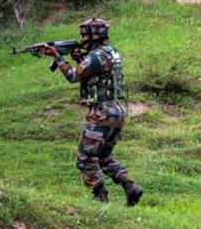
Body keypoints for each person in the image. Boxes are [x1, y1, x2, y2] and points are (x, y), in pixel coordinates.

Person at [43, 18, 143, 206]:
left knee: (85, 157)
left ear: (93, 35)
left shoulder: (96, 56)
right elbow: (95, 73)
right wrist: (80, 58)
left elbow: (73, 76)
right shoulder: (110, 52)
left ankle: (100, 199)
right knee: (103, 156)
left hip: (102, 112)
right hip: (117, 110)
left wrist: (58, 57)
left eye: (85, 35)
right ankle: (130, 187)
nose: (82, 39)